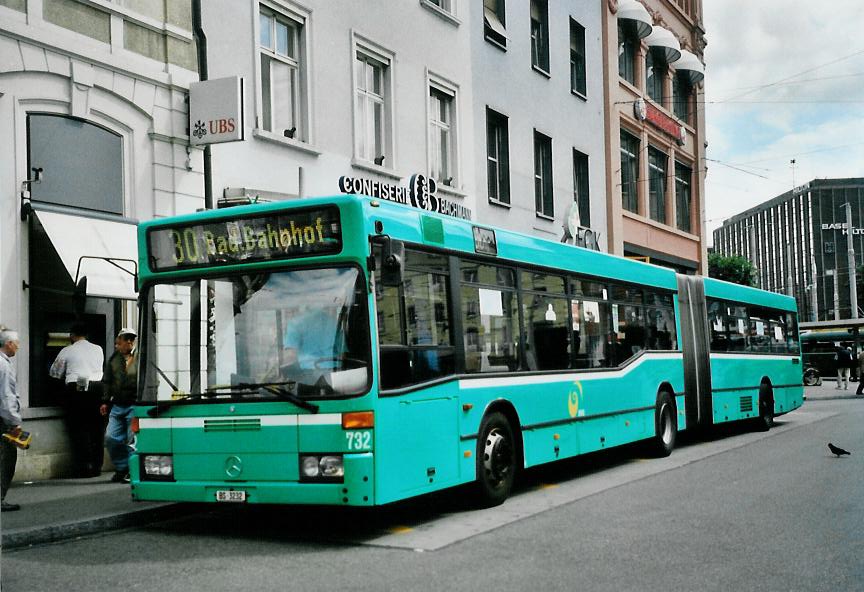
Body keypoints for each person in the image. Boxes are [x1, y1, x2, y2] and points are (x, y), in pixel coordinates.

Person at [50, 323, 105, 477]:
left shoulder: (67, 350)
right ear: (86, 335)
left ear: (72, 335)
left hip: (76, 391)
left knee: (79, 428)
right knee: (96, 429)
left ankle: (83, 466)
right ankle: (96, 466)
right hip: (96, 389)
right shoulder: (98, 349)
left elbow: (55, 372)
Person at [100, 328, 138, 483]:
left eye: (131, 339)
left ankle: (132, 470)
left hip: (135, 403)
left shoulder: (140, 357)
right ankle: (122, 467)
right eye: (126, 339)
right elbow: (107, 381)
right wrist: (104, 400)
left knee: (132, 440)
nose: (129, 342)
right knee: (110, 437)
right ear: (118, 343)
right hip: (118, 403)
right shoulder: (114, 359)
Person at [0, 327, 23, 511]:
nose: (18, 347)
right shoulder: (4, 366)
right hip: (3, 421)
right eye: (16, 343)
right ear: (8, 344)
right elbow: (7, 397)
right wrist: (14, 422)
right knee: (6, 459)